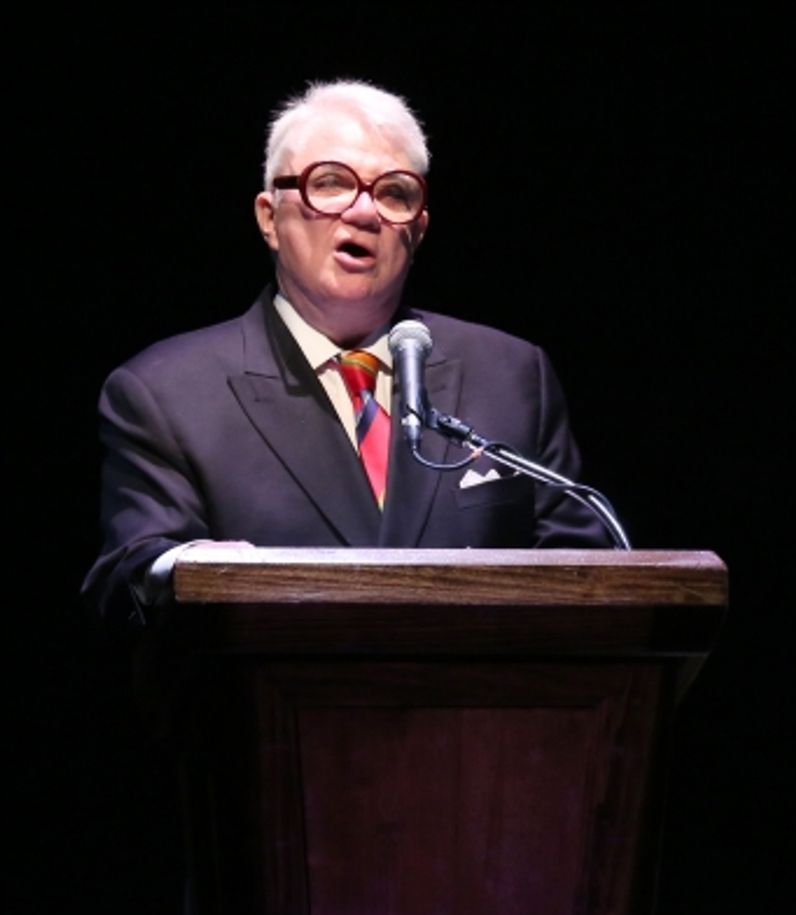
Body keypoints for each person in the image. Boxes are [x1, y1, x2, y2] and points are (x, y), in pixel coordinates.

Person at [83, 80, 609, 625]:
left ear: (419, 229)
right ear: (269, 218)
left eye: (394, 193)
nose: (364, 213)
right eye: (330, 183)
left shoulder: (511, 375)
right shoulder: (166, 395)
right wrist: (192, 571)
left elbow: (594, 581)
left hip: (486, 706)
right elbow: (132, 572)